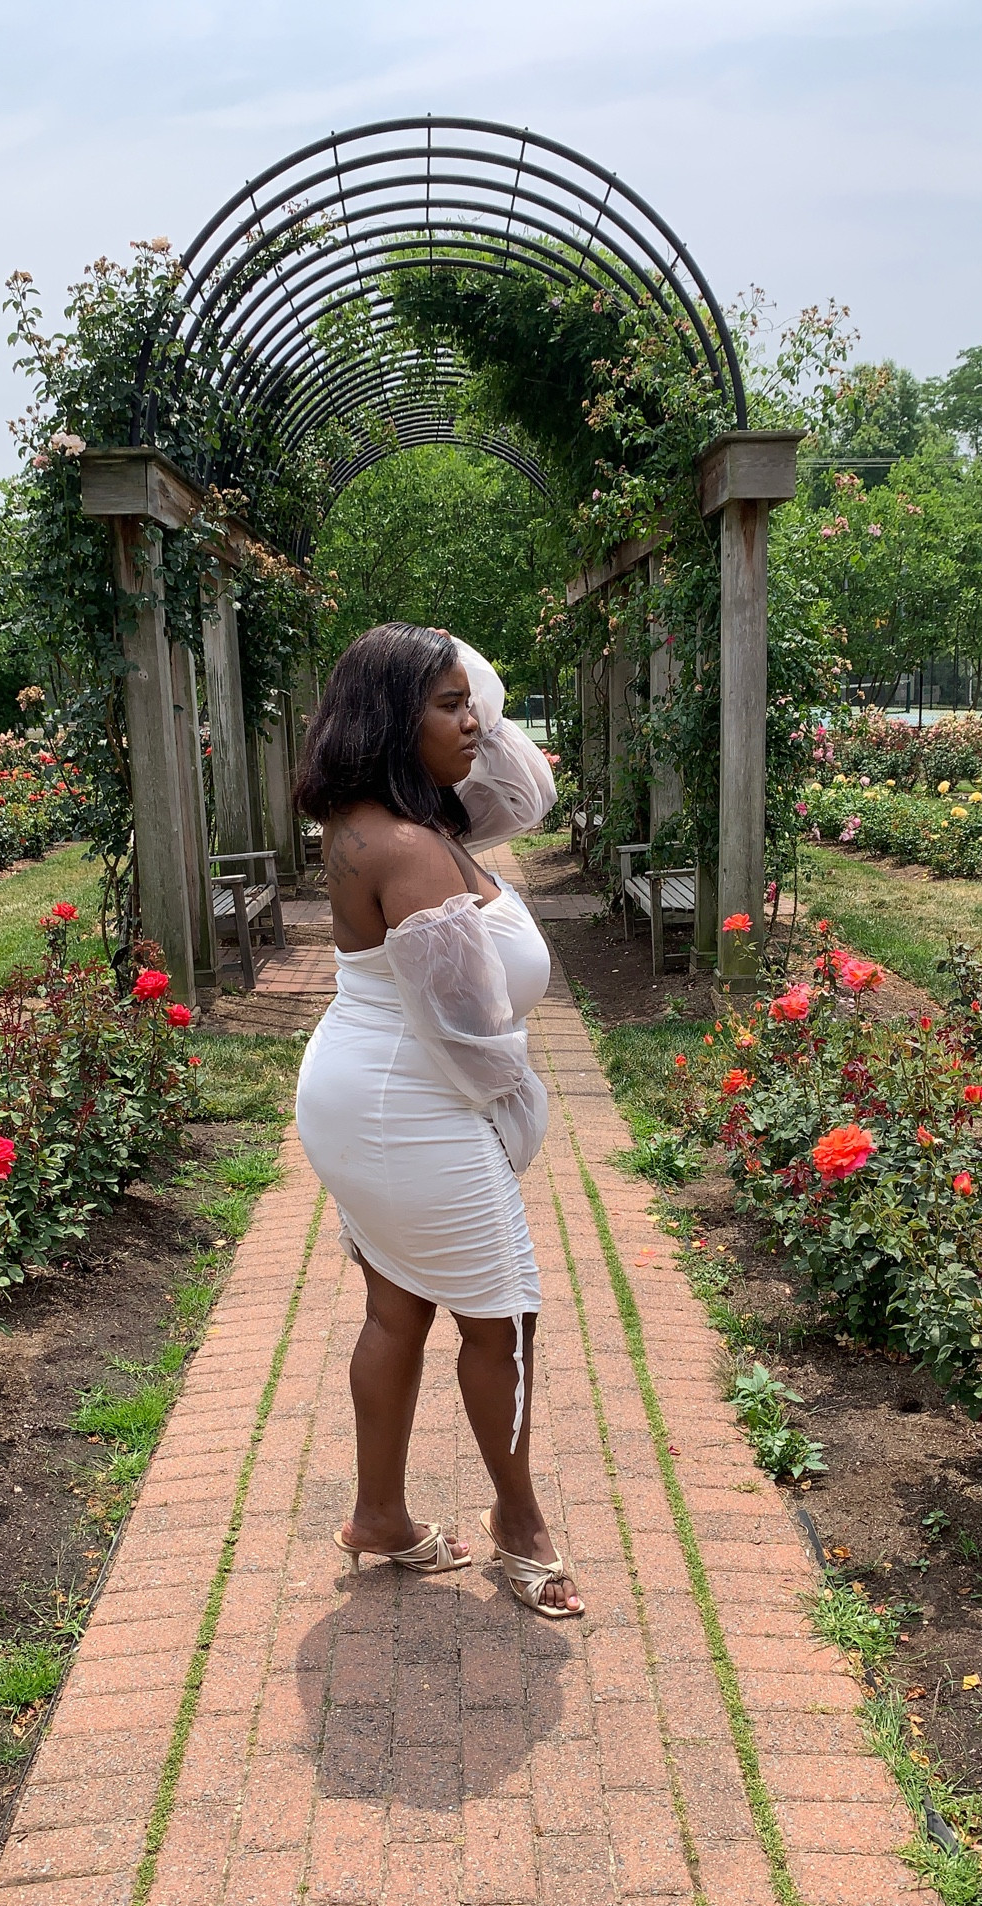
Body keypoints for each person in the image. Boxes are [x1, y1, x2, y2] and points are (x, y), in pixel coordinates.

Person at [293, 623, 582, 1617]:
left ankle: (379, 1512)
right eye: (451, 705)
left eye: (475, 701)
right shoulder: (414, 849)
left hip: (369, 1085)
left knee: (398, 1306)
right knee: (502, 1313)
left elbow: (529, 791)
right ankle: (522, 1523)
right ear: (388, 720)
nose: (478, 722)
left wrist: (448, 667)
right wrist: (516, 1116)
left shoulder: (394, 815)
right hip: (410, 1098)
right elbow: (464, 1033)